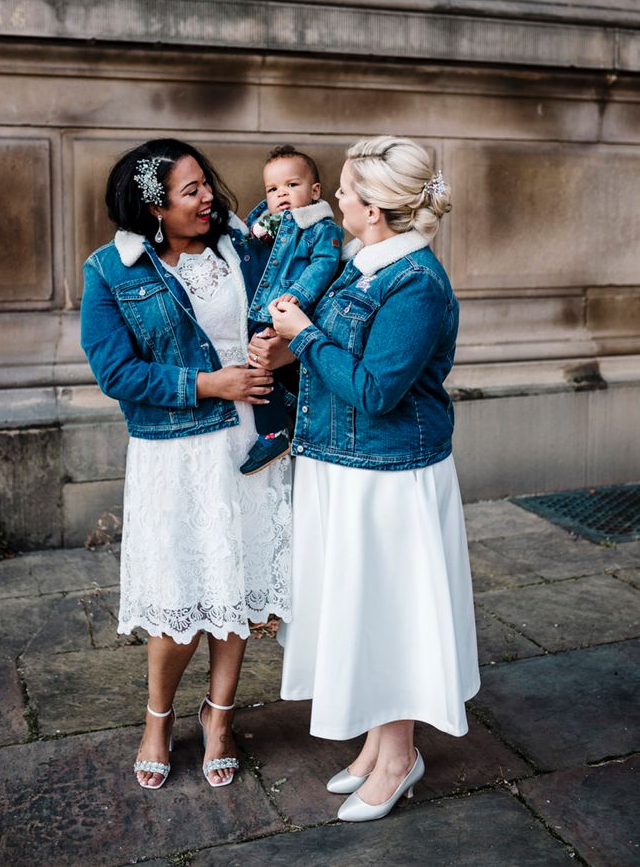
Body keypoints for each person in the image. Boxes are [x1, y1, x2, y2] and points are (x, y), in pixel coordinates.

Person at [264, 135, 480, 823]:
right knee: (361, 613)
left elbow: (377, 389)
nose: (333, 198)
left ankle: (397, 759)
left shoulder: (415, 283)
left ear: (377, 212)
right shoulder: (359, 264)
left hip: (388, 478)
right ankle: (376, 747)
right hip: (343, 469)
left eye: (346, 192)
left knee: (387, 617)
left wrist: (302, 335)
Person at [80, 138, 291, 791]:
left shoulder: (247, 244)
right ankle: (158, 717)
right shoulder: (110, 271)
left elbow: (299, 317)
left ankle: (220, 715)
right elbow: (116, 371)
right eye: (190, 192)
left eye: (206, 183)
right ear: (154, 209)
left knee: (239, 589)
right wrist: (210, 384)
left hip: (252, 438)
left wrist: (279, 359)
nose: (208, 198)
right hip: (176, 453)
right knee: (180, 598)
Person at [241, 145, 343, 475]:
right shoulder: (265, 226)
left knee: (272, 366)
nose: (281, 193)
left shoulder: (320, 228)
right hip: (261, 310)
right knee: (260, 367)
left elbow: (323, 264)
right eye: (273, 189)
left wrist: (296, 295)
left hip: (290, 310)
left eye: (291, 185)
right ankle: (279, 421)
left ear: (315, 192)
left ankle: (275, 431)